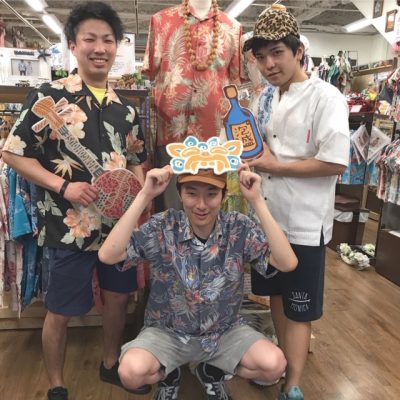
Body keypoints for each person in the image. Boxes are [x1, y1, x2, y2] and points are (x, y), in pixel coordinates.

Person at [2, 2, 151, 399]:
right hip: (69, 226)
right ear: (73, 45)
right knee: (61, 309)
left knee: (118, 299)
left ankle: (110, 364)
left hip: (118, 228)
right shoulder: (49, 95)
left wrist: (136, 198)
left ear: (117, 46)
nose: (99, 48)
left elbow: (136, 158)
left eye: (108, 40)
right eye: (90, 39)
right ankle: (56, 383)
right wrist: (62, 186)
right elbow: (13, 152)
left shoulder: (125, 109)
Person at [98, 163, 298, 400]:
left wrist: (257, 200)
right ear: (180, 194)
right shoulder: (164, 226)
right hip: (168, 332)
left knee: (273, 365)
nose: (201, 205)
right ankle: (169, 375)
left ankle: (212, 371)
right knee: (131, 372)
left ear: (224, 195)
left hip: (224, 332)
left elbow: (287, 263)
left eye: (211, 194)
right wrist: (145, 195)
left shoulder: (238, 226)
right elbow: (108, 255)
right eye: (191, 193)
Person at [242, 4, 350, 400]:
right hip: (267, 218)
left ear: (298, 51)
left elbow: (336, 162)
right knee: (275, 295)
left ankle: (292, 385)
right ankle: (282, 367)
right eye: (261, 56)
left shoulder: (327, 97)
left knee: (299, 306)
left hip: (304, 221)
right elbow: (258, 150)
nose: (269, 64)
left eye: (278, 53)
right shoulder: (266, 99)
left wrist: (277, 166)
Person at [142, 0, 244, 211]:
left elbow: (234, 80)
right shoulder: (160, 21)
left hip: (215, 140)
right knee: (170, 209)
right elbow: (151, 71)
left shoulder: (233, 28)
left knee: (210, 208)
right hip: (171, 134)